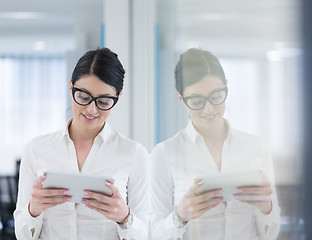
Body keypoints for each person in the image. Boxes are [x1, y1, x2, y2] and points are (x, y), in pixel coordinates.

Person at [14, 48, 149, 240]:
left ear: (117, 97)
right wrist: (33, 210)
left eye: (103, 101)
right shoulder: (36, 149)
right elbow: (22, 235)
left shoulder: (134, 154)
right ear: (71, 88)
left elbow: (146, 234)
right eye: (84, 97)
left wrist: (124, 217)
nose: (91, 109)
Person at [150, 48, 281, 239]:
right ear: (181, 99)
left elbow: (272, 232)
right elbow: (153, 234)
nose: (209, 108)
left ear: (226, 87)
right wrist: (180, 216)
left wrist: (266, 208)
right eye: (196, 100)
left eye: (216, 96)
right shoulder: (165, 153)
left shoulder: (256, 147)